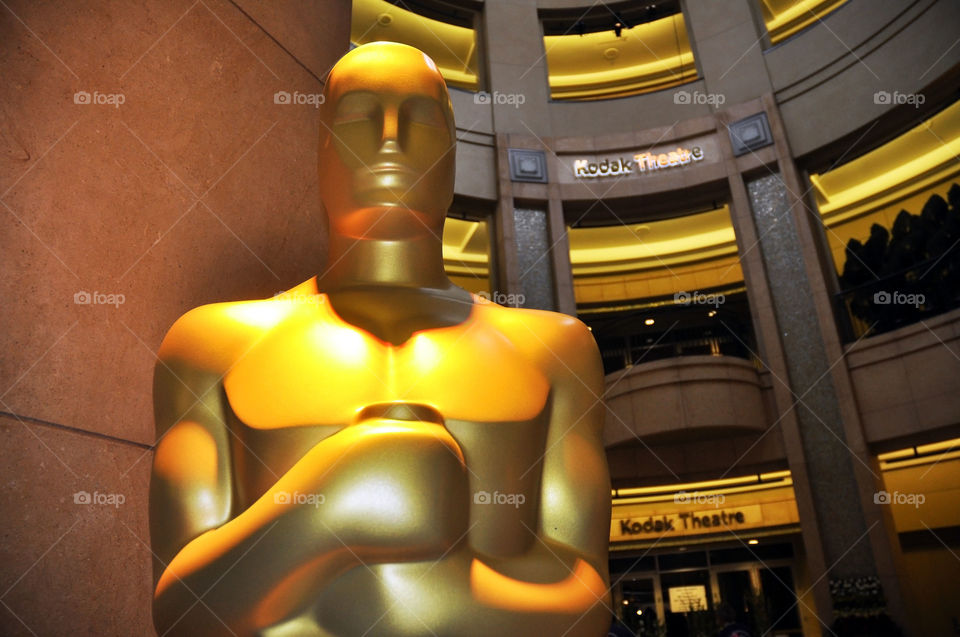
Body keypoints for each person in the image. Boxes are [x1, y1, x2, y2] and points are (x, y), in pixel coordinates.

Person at [149, 41, 612, 636]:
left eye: (417, 118)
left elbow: (585, 596)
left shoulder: (557, 350)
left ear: (451, 149)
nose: (389, 137)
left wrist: (412, 598)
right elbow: (180, 608)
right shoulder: (211, 343)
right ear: (319, 150)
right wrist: (338, 495)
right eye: (356, 116)